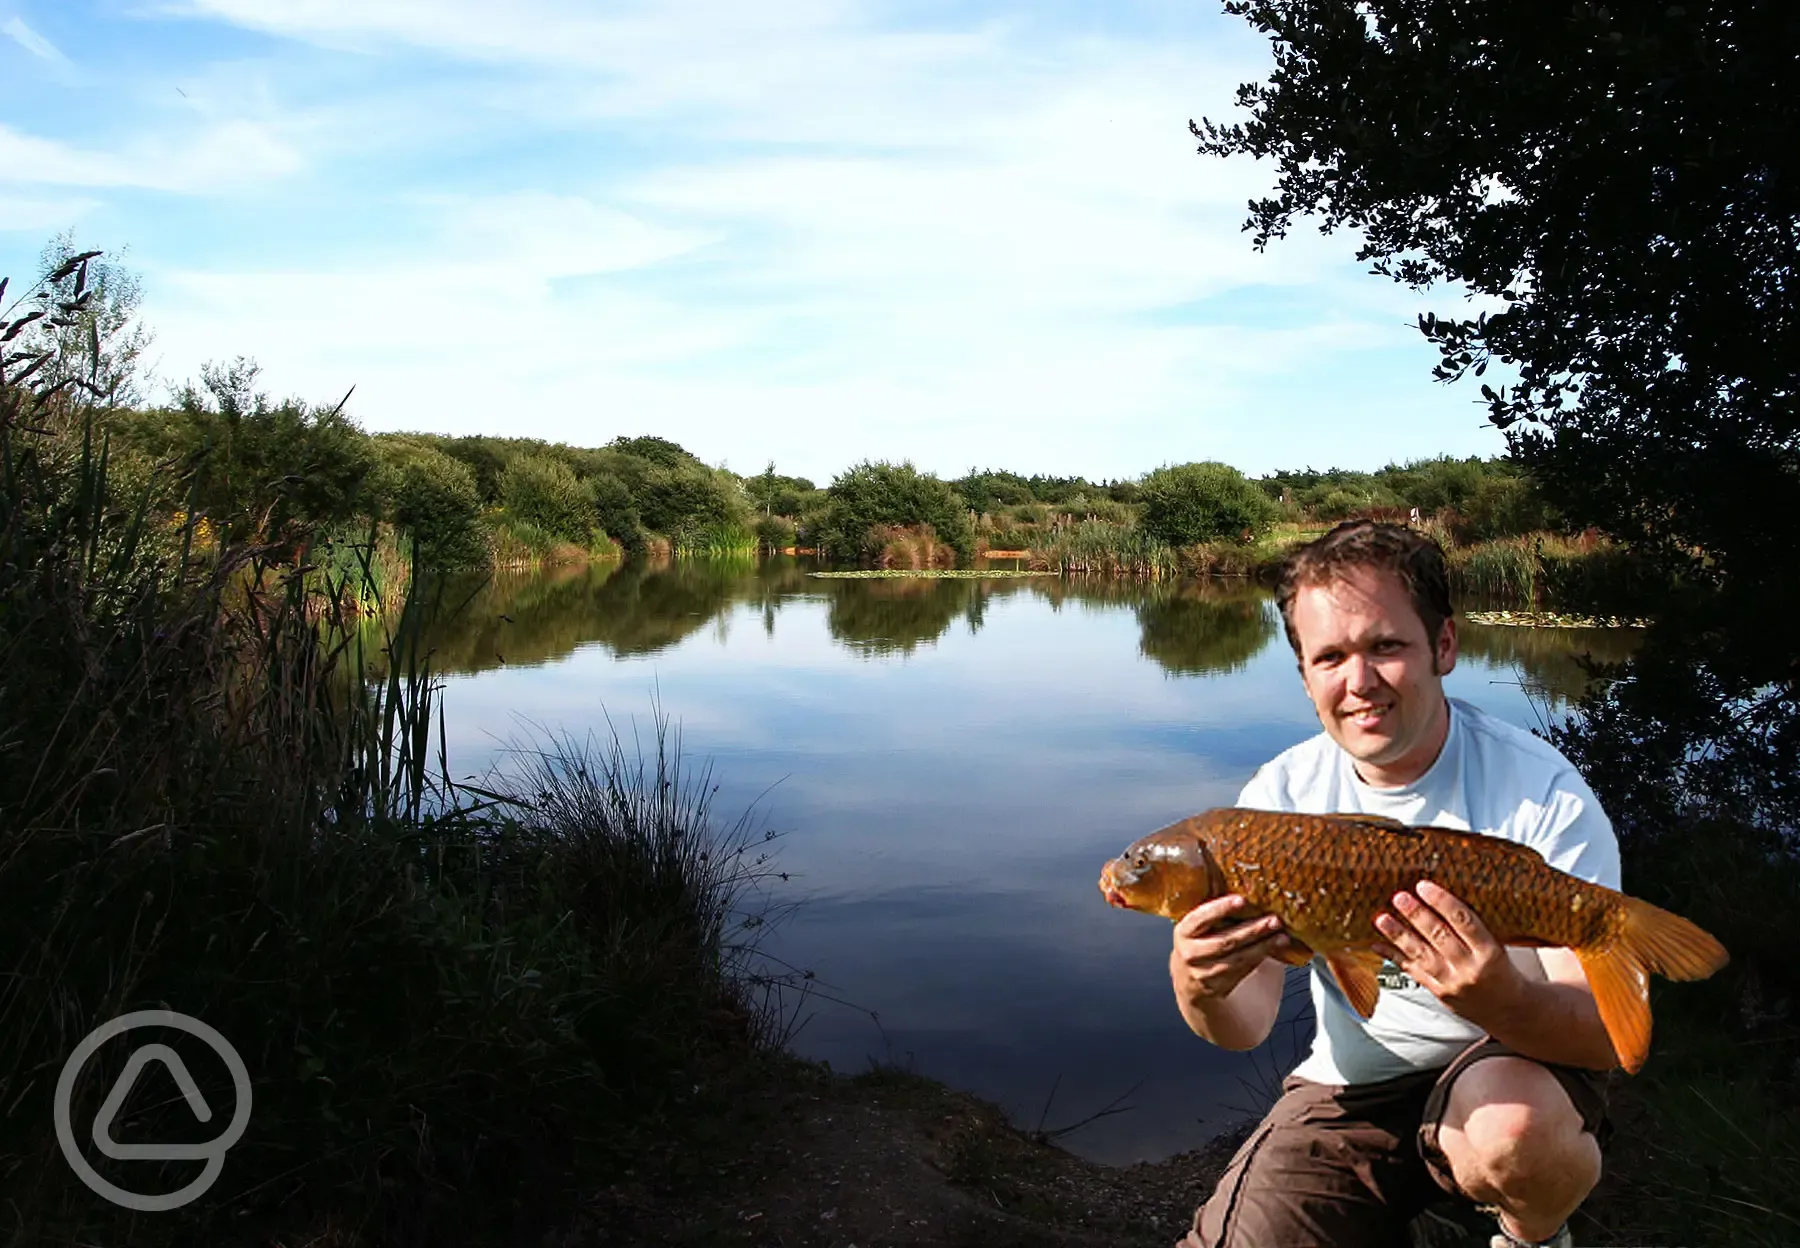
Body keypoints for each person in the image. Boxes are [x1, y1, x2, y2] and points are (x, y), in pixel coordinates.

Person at [1174, 521, 1618, 1248]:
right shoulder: (1277, 798)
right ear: (1305, 674)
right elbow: (1245, 1025)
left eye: (1385, 646)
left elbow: (1603, 1036)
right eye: (1330, 657)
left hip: (1516, 1062)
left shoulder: (1543, 792)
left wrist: (1499, 997)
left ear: (1444, 646)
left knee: (1511, 1131)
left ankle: (1531, 1232)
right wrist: (1199, 985)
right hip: (1355, 1086)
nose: (1359, 682)